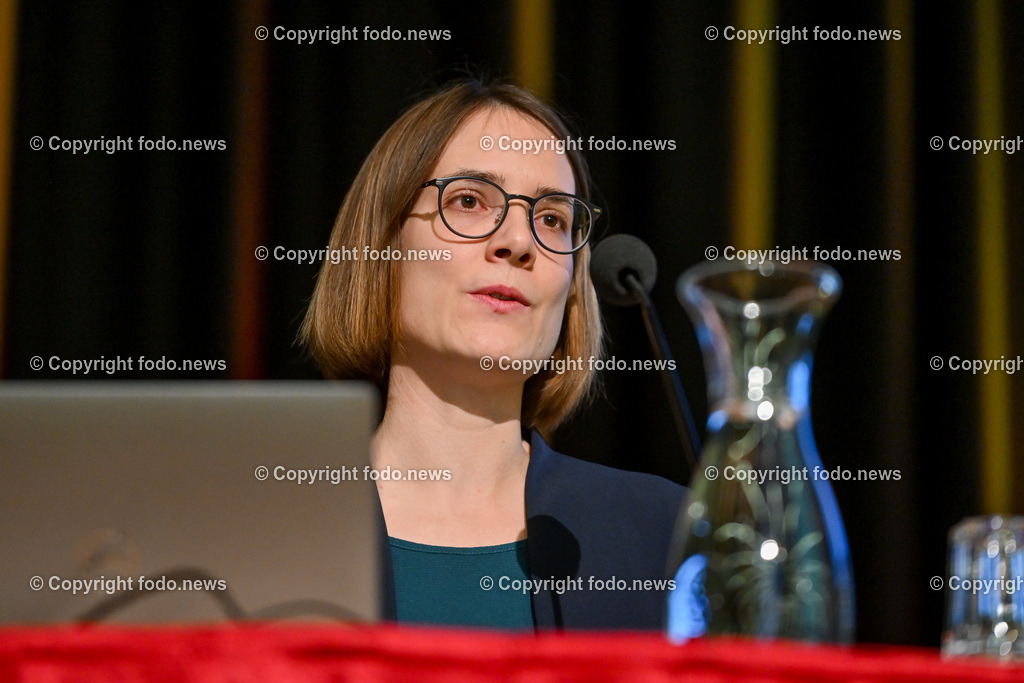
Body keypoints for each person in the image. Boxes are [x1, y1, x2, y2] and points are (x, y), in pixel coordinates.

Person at [301, 80, 685, 630]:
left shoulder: (667, 535)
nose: (519, 241)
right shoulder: (268, 524)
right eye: (469, 201)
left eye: (552, 218)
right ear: (383, 248)